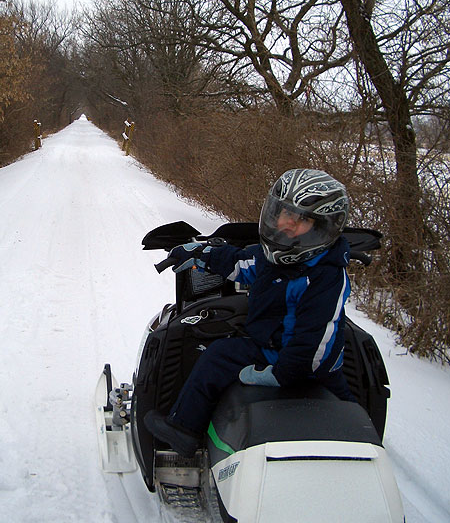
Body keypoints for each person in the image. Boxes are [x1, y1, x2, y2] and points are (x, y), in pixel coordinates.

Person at [144, 168, 355, 458]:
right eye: (284, 213)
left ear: (323, 228)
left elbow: (315, 345)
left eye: (302, 219)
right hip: (272, 344)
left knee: (217, 356)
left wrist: (280, 375)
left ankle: (182, 429)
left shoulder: (324, 277)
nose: (288, 224)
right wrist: (199, 254)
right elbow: (239, 263)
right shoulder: (276, 255)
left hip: (291, 358)